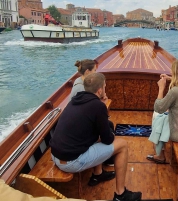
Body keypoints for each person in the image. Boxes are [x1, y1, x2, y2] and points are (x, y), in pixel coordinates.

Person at [50, 73, 142, 201]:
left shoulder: (75, 100)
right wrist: (103, 110)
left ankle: (97, 175)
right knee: (122, 145)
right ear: (100, 90)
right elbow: (107, 139)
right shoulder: (97, 106)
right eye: (105, 86)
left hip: (55, 155)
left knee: (94, 136)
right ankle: (121, 195)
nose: (105, 88)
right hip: (71, 161)